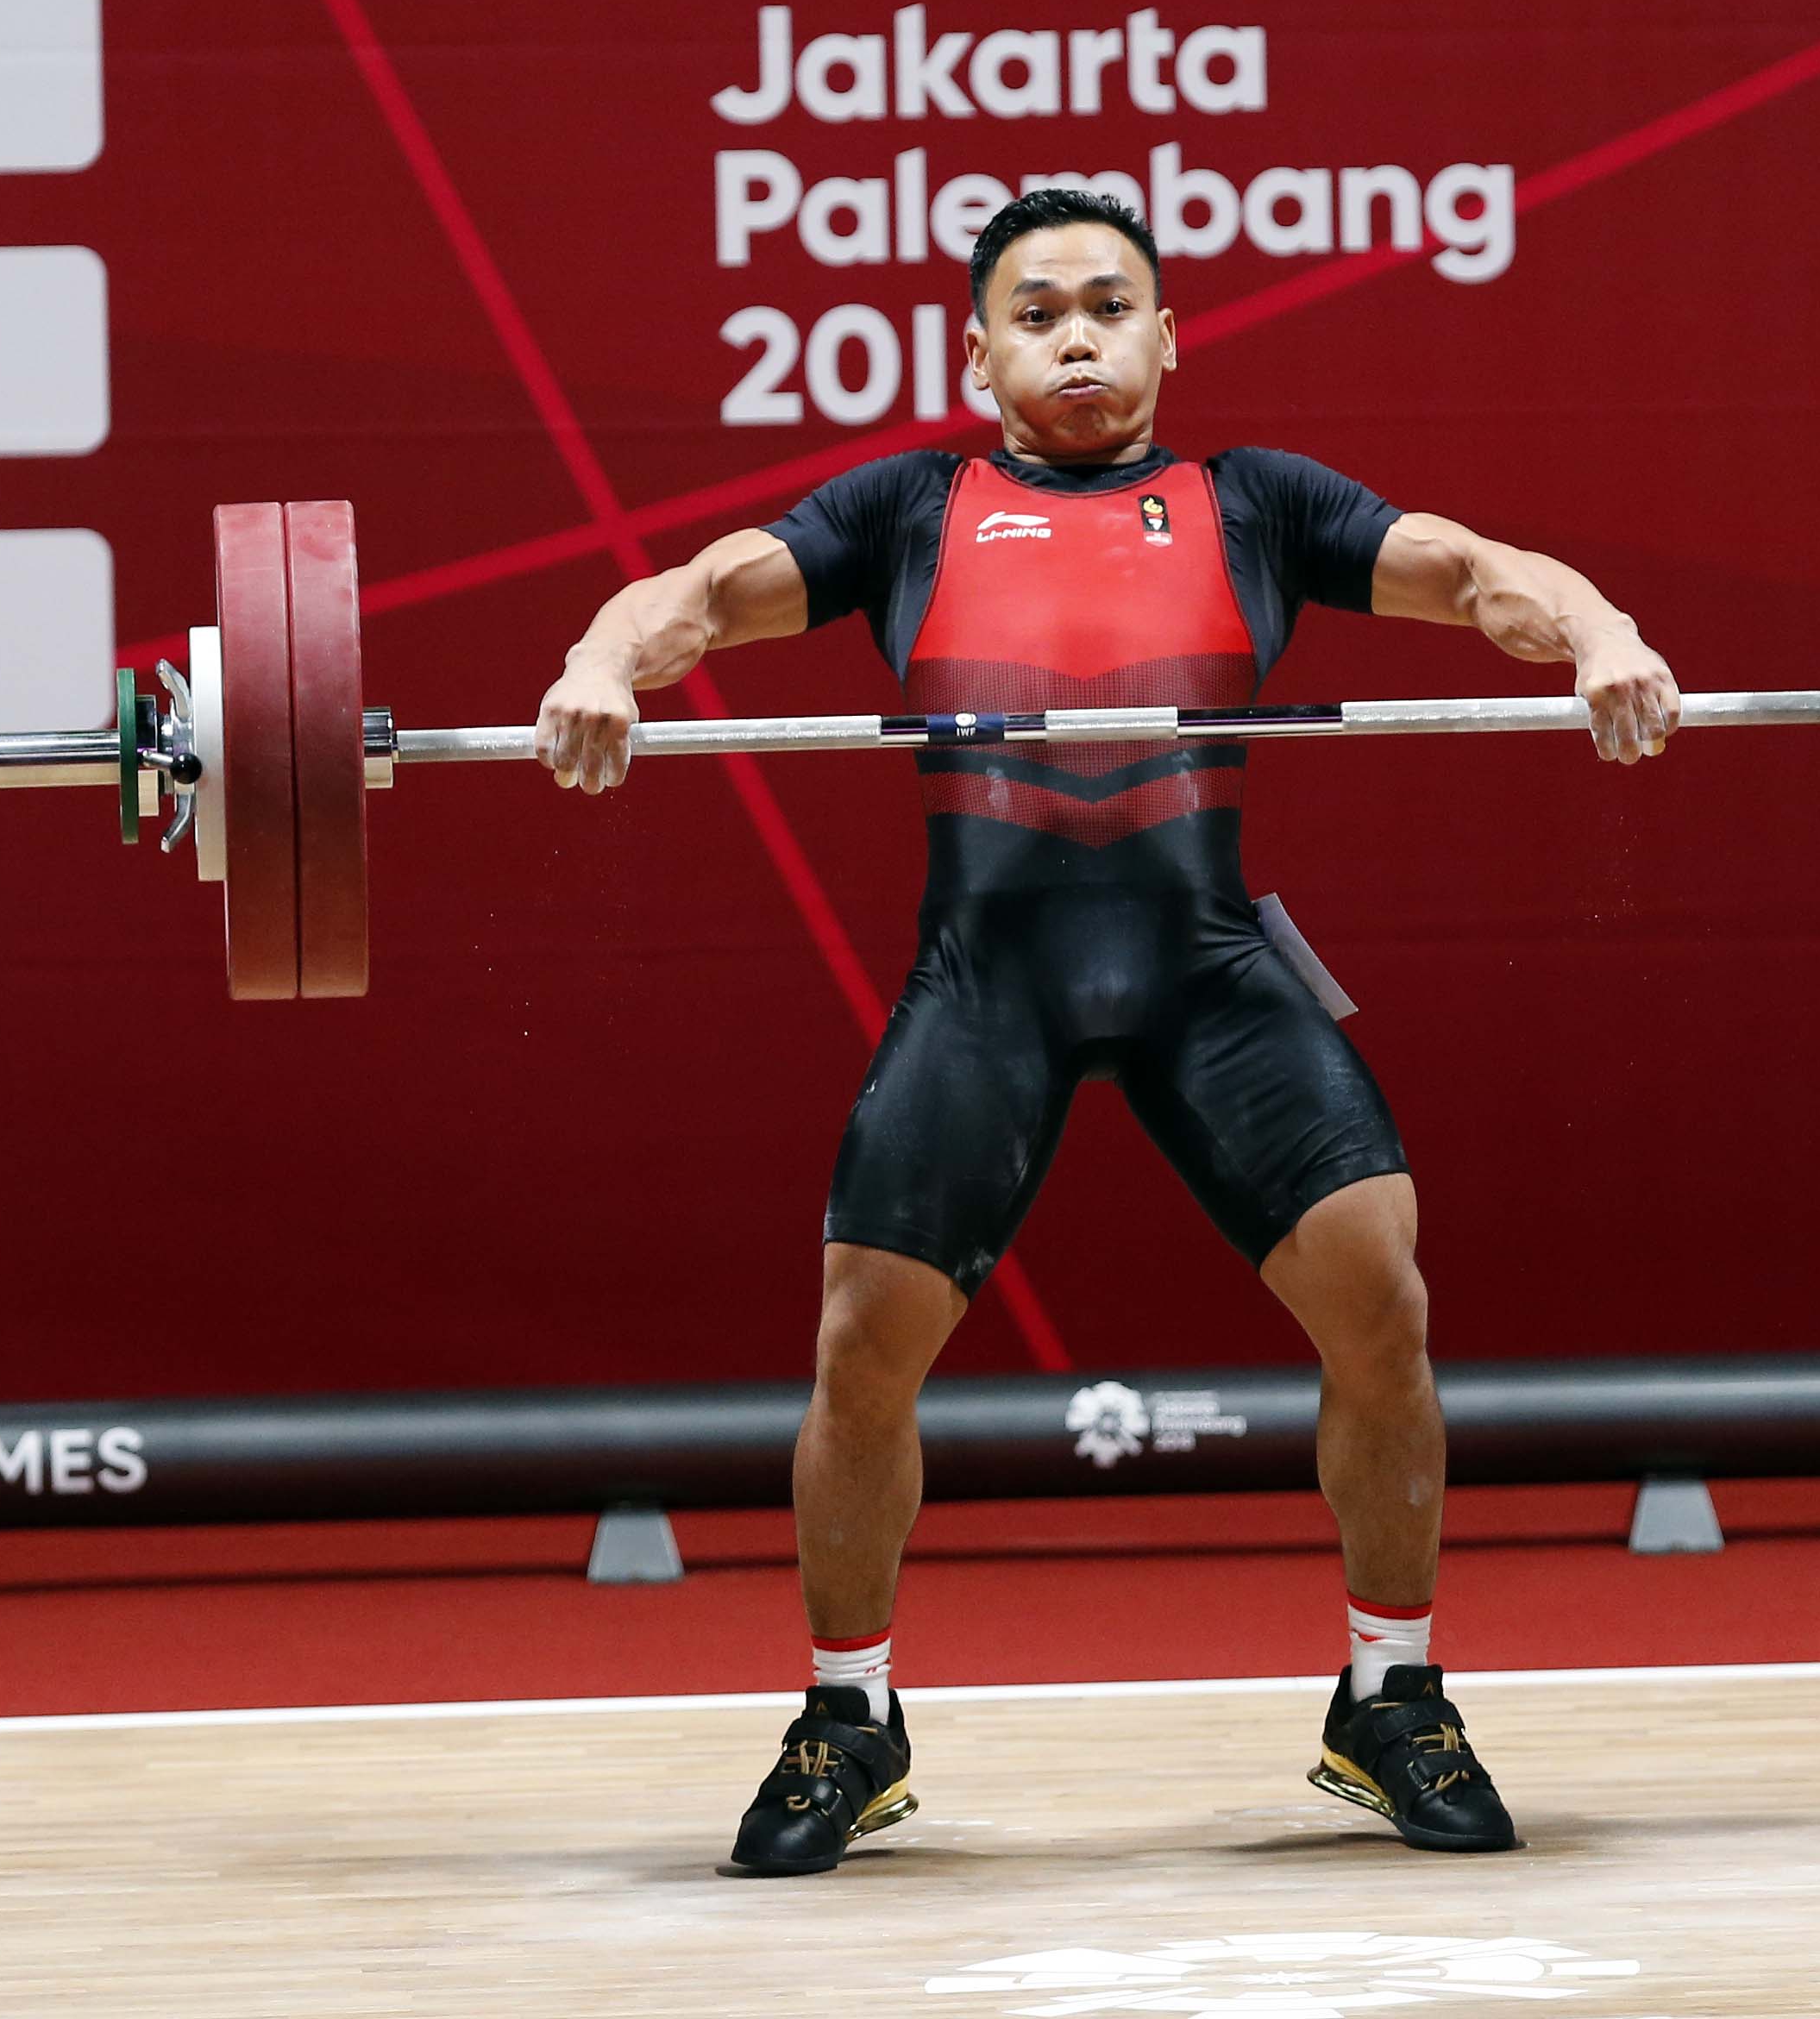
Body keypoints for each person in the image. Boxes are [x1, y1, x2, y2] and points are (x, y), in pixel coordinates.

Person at [537, 187, 1680, 1875]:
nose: (1076, 337)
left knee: (1382, 1293)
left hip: (1204, 969)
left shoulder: (1256, 504)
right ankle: (849, 1720)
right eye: (1039, 312)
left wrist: (1603, 634)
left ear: (1165, 337)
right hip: (987, 977)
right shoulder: (909, 509)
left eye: (1109, 306)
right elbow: (697, 598)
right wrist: (600, 664)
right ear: (979, 354)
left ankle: (1392, 1697)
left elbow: (1476, 576)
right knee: (862, 1348)